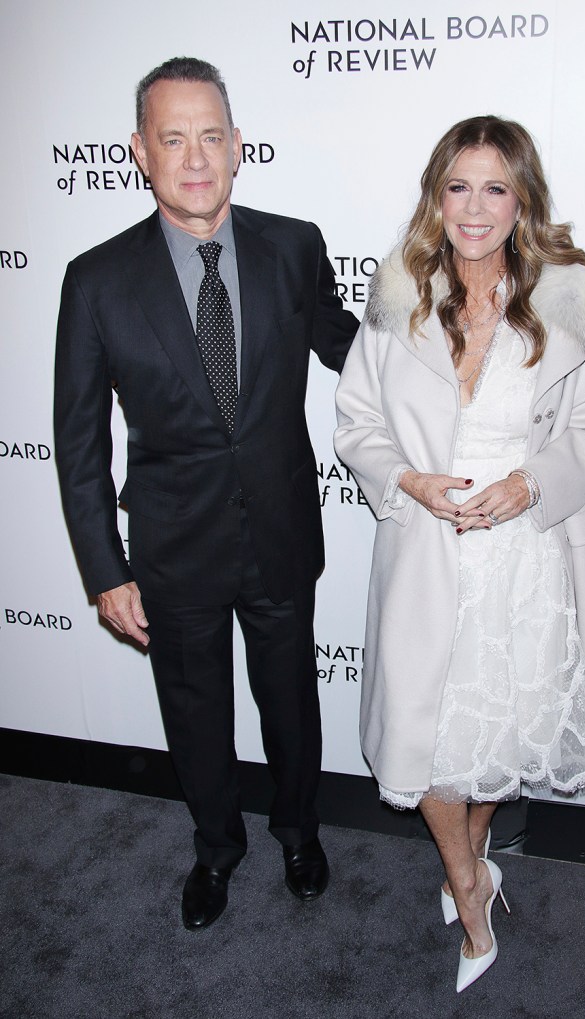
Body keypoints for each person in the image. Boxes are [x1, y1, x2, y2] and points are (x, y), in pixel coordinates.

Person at [54, 56, 358, 931]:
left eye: (211, 136)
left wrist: (445, 338)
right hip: (171, 544)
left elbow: (345, 344)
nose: (196, 157)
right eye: (174, 137)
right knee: (195, 717)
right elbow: (78, 439)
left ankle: (300, 831)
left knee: (292, 702)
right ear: (141, 152)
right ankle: (217, 847)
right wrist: (104, 571)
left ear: (237, 146)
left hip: (281, 529)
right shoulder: (96, 279)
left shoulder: (294, 244)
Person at [334, 116, 585, 991]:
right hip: (426, 555)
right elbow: (358, 423)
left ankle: (478, 855)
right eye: (458, 185)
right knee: (422, 746)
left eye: (495, 186)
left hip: (525, 564)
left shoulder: (574, 299)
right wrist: (409, 480)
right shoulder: (398, 294)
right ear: (436, 194)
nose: (475, 206)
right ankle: (468, 882)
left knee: (495, 737)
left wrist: (531, 482)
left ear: (522, 197)